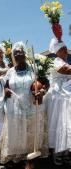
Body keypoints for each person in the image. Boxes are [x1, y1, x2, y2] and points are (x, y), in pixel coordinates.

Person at [0, 42, 48, 167]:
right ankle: (17, 155)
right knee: (17, 131)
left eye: (20, 52)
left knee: (31, 131)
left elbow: (46, 83)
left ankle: (31, 155)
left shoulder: (34, 68)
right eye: (15, 53)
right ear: (13, 56)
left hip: (31, 103)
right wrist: (6, 90)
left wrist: (41, 91)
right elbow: (6, 86)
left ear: (25, 54)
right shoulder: (10, 72)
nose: (18, 54)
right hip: (14, 105)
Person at [46, 38, 71, 166]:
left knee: (67, 125)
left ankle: (66, 153)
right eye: (62, 49)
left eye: (65, 48)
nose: (65, 50)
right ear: (56, 51)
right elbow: (64, 70)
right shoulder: (55, 61)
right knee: (59, 123)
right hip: (58, 97)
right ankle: (57, 153)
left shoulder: (66, 61)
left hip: (67, 96)